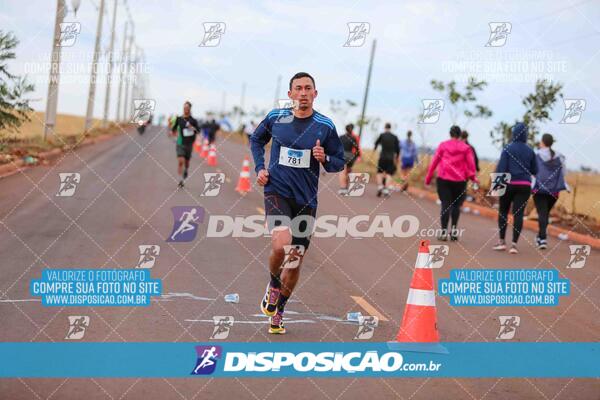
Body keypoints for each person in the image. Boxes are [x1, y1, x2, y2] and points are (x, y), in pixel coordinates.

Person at [250, 72, 344, 334]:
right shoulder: (275, 118)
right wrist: (260, 167)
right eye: (298, 88)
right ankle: (273, 285)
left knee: (294, 259)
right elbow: (256, 139)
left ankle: (279, 310)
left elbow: (340, 161)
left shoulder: (325, 125)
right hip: (276, 190)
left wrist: (324, 157)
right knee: (281, 243)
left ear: (315, 94)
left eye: (308, 88)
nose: (303, 93)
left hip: (306, 199)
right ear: (290, 94)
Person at [425, 125, 478, 241]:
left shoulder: (443, 145)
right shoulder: (466, 148)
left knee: (445, 204)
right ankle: (453, 232)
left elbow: (434, 162)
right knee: (456, 206)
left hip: (444, 179)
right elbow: (471, 165)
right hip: (460, 181)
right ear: (459, 135)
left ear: (450, 134)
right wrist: (474, 179)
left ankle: (443, 232)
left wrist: (428, 178)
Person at [492, 122, 538, 254]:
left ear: (513, 134)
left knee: (503, 212)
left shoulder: (507, 148)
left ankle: (501, 242)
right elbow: (535, 170)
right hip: (524, 186)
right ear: (526, 135)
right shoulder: (530, 151)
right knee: (518, 214)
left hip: (508, 184)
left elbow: (502, 168)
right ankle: (514, 245)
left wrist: (496, 188)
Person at [532, 133, 568, 249]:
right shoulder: (560, 156)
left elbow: (532, 171)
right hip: (554, 191)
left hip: (539, 189)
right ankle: (540, 236)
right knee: (545, 214)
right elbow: (563, 173)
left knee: (542, 213)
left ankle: (542, 239)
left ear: (542, 142)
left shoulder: (536, 154)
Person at [170, 101, 201, 188]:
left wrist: (193, 128)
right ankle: (180, 180)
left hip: (189, 144)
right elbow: (174, 129)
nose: (185, 109)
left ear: (190, 109)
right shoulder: (179, 119)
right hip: (180, 142)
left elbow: (198, 131)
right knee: (181, 161)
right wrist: (173, 134)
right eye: (184, 108)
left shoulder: (193, 120)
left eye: (187, 108)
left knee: (186, 162)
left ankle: (186, 170)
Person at [374, 123, 400, 197]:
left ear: (385, 128)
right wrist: (397, 157)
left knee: (379, 172)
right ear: (390, 128)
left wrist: (374, 150)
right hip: (391, 158)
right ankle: (386, 189)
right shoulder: (395, 137)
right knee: (389, 174)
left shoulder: (382, 135)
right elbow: (398, 149)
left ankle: (380, 186)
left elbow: (376, 143)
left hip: (382, 157)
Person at [338, 123, 361, 195]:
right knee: (348, 171)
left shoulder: (341, 137)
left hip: (343, 155)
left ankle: (343, 188)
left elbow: (336, 146)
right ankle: (346, 187)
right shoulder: (353, 138)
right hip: (351, 156)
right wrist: (357, 156)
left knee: (342, 171)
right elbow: (357, 148)